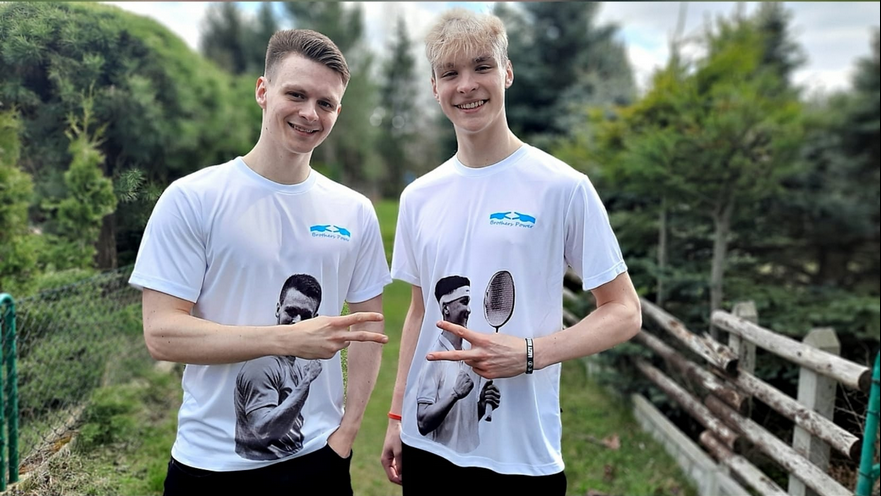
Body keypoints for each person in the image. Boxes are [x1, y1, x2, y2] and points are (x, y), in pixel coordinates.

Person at [380, 9, 641, 495]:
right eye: (449, 73)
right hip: (428, 447)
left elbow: (624, 312)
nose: (467, 85)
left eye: (481, 66)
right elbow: (419, 313)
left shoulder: (563, 187)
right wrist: (397, 415)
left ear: (507, 72)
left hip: (522, 457)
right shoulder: (418, 196)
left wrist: (529, 354)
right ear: (434, 87)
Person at [129, 29, 392, 496]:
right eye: (296, 94)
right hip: (210, 467)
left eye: (326, 103)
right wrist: (289, 339)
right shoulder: (193, 198)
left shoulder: (354, 210)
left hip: (320, 462)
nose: (310, 113)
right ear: (262, 91)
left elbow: (368, 329)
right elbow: (162, 334)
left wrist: (347, 434)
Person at [233, 274, 324, 460]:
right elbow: (263, 430)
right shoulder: (263, 365)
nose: (297, 321)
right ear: (278, 309)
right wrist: (306, 382)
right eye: (291, 311)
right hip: (260, 468)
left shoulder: (292, 362)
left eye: (306, 316)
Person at [414, 276, 500, 453]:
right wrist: (454, 394)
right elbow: (423, 422)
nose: (469, 310)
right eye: (464, 302)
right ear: (446, 308)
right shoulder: (435, 357)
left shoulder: (470, 355)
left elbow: (461, 423)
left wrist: (481, 405)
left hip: (473, 457)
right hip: (443, 460)